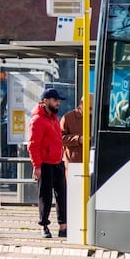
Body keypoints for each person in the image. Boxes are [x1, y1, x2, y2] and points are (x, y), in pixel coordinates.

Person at [29, 88, 67, 239]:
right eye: (55, 100)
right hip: (45, 163)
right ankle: (44, 225)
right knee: (45, 196)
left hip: (58, 162)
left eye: (58, 100)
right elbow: (33, 145)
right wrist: (37, 166)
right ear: (45, 101)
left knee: (62, 195)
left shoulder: (54, 118)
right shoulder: (37, 120)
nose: (58, 103)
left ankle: (63, 226)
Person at [60, 94, 90, 165]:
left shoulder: (96, 118)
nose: (91, 112)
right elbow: (59, 139)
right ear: (81, 104)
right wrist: (78, 139)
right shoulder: (68, 118)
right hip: (74, 162)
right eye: (90, 108)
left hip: (92, 162)